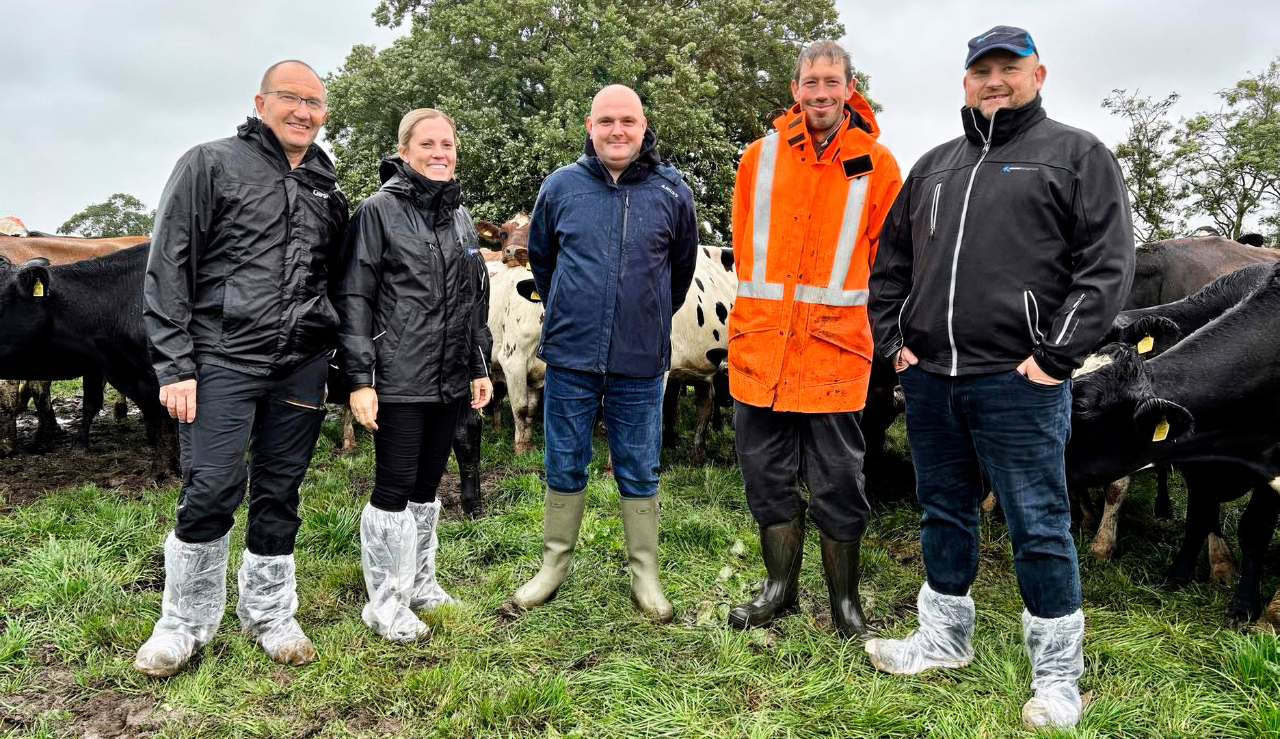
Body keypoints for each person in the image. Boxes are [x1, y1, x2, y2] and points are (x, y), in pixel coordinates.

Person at [866, 26, 1135, 728]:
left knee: (1039, 522)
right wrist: (894, 342)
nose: (994, 80)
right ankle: (943, 639)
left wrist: (1054, 358)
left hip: (1019, 381)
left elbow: (1106, 268)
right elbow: (890, 265)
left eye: (1007, 68)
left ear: (1037, 73)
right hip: (930, 380)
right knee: (942, 510)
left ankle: (1057, 675)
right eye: (980, 70)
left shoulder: (1076, 156)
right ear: (964, 82)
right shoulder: (934, 167)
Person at [137, 60, 350, 676]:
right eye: (291, 98)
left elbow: (334, 279)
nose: (303, 111)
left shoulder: (327, 189)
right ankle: (184, 621)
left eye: (314, 103)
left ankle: (271, 614)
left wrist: (336, 352)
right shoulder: (209, 164)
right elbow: (169, 264)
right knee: (211, 486)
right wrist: (175, 364)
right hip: (221, 357)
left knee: (281, 491)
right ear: (262, 101)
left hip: (301, 366)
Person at [724, 41, 902, 638]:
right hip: (760, 354)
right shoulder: (758, 159)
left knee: (838, 483)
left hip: (834, 356)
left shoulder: (878, 165)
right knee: (766, 478)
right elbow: (747, 254)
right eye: (810, 82)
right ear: (795, 88)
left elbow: (890, 267)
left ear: (850, 89)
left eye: (832, 82)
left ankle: (845, 605)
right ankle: (779, 591)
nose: (821, 92)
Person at [513, 84, 698, 622]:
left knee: (639, 468)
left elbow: (679, 274)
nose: (617, 131)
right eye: (606, 121)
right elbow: (543, 262)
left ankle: (645, 573)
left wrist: (644, 311)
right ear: (589, 127)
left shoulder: (670, 191)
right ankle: (553, 565)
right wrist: (574, 306)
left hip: (640, 359)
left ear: (643, 127)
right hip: (569, 355)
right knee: (563, 461)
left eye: (628, 121)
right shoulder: (561, 187)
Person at [336, 108, 493, 641]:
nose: (439, 152)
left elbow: (475, 298)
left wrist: (478, 365)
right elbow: (354, 297)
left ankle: (420, 581)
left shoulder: (461, 217)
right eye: (427, 144)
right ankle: (386, 600)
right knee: (395, 486)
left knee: (428, 487)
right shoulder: (377, 212)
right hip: (398, 376)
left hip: (450, 375)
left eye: (447, 144)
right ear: (404, 152)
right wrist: (360, 378)